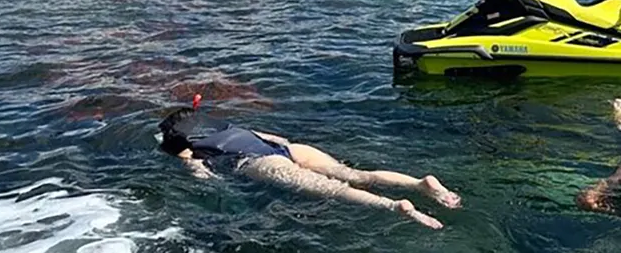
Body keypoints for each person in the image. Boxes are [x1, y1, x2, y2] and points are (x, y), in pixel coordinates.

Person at [157, 105, 461, 229]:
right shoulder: (225, 124)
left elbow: (200, 172)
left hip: (259, 162)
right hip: (286, 149)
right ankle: (419, 184)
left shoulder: (188, 146)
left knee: (335, 190)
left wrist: (211, 182)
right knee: (355, 175)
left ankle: (395, 205)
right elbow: (278, 137)